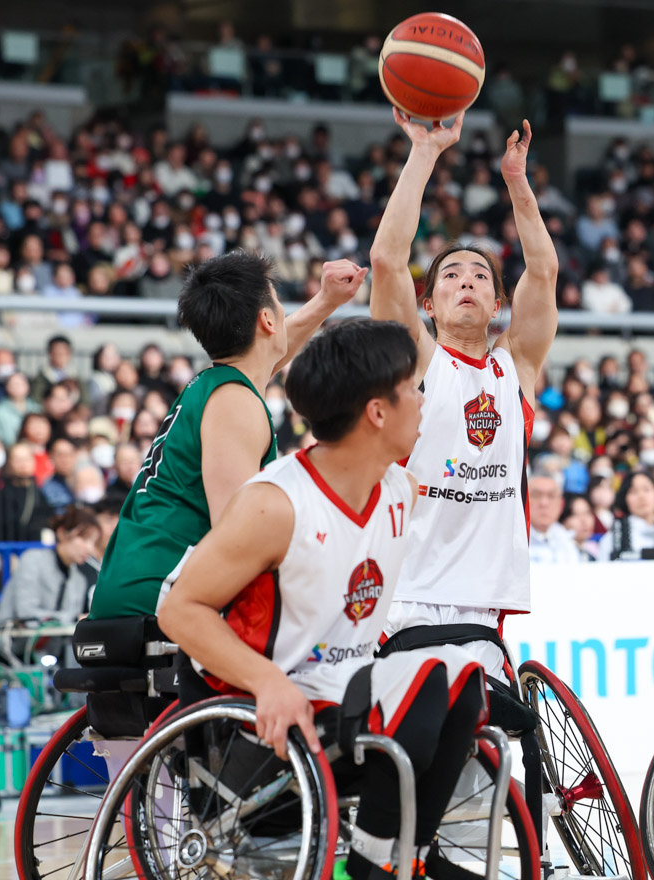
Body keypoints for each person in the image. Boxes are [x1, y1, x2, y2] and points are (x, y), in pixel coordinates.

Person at [159, 320, 485, 880]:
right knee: (431, 674)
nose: (423, 400)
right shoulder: (275, 505)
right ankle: (373, 865)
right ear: (377, 412)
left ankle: (406, 857)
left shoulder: (396, 489)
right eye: (412, 387)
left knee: (464, 675)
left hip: (343, 699)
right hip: (259, 723)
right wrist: (266, 680)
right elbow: (178, 610)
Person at [369, 111, 558, 685]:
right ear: (428, 305)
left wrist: (517, 182)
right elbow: (385, 262)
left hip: (484, 604)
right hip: (409, 597)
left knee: (486, 767)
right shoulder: (419, 361)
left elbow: (544, 272)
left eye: (480, 275)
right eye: (450, 275)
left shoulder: (516, 367)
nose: (468, 280)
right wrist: (425, 151)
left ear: (497, 304)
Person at [89, 251, 368, 619]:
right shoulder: (235, 404)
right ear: (267, 319)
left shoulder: (218, 384)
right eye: (280, 305)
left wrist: (326, 301)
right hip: (159, 591)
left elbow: (269, 353)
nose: (284, 314)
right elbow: (237, 538)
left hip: (139, 581)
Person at [0, 506, 101, 621]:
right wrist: (73, 618)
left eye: (94, 543)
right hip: (13, 637)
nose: (89, 549)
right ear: (62, 533)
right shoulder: (33, 560)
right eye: (84, 539)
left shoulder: (79, 580)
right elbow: (26, 613)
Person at [599, 470, 654, 561]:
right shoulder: (615, 538)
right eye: (634, 491)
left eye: (646, 489)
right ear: (625, 499)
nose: (641, 496)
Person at [527, 474, 581, 564]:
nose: (544, 503)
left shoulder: (567, 541)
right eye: (536, 495)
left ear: (561, 504)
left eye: (551, 496)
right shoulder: (510, 541)